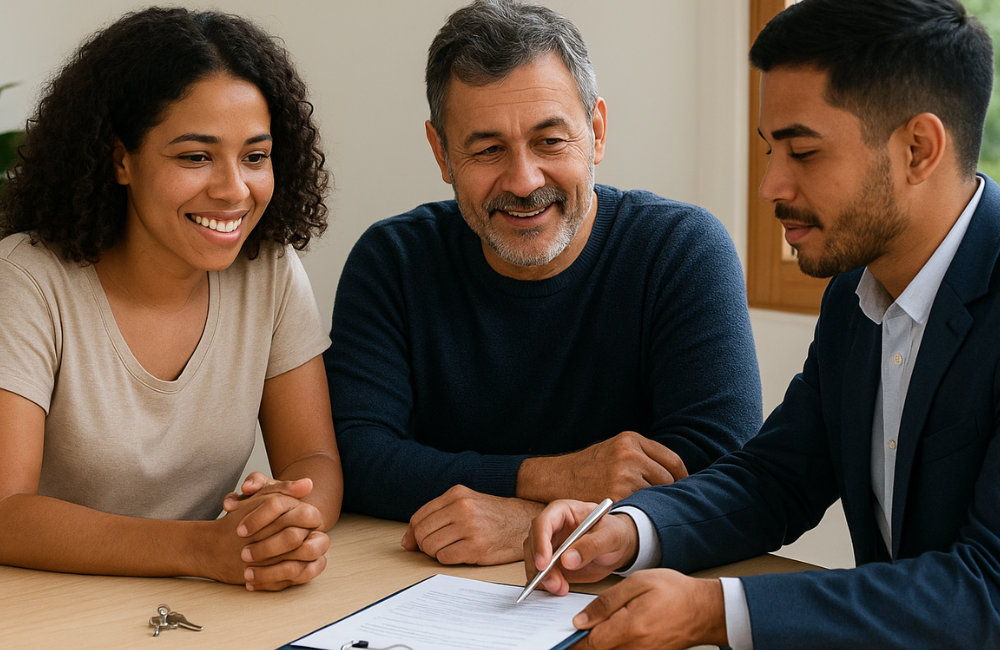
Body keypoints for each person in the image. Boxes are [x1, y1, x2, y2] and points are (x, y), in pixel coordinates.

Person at [524, 0, 1000, 647]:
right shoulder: (854, 295)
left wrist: (714, 611)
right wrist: (630, 529)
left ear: (918, 148)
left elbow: (987, 588)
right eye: (769, 148)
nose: (770, 185)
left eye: (802, 152)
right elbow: (777, 477)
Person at [325, 0, 762, 567]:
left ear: (597, 132)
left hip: (625, 590)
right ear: (441, 153)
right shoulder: (393, 260)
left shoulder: (681, 250)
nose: (524, 180)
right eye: (486, 150)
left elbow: (724, 472)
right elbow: (357, 459)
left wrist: (542, 522)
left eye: (550, 141)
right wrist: (555, 476)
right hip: (425, 588)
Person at [0, 7, 342, 592]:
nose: (234, 190)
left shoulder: (270, 270)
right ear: (120, 159)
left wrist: (286, 516)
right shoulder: (27, 281)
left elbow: (315, 459)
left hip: (194, 605)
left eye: (255, 156)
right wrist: (203, 549)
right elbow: (6, 512)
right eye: (195, 156)